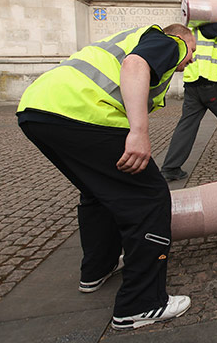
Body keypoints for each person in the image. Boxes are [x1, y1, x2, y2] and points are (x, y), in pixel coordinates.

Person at [16, 23, 197, 330]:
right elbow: (135, 64)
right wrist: (139, 133)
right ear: (183, 40)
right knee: (149, 198)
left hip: (37, 109)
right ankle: (141, 303)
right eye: (193, 50)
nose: (191, 59)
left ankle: (97, 270)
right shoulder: (171, 41)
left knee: (97, 191)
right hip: (81, 113)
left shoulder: (131, 38)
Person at [161, 0, 217, 181]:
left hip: (192, 87)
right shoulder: (208, 29)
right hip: (213, 86)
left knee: (186, 126)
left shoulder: (190, 31)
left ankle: (170, 167)